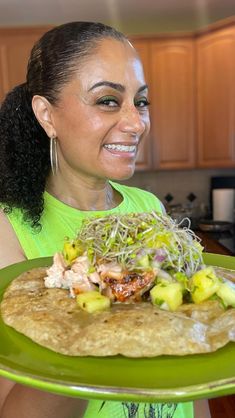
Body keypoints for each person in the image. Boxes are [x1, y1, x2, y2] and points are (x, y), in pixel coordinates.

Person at [0, 22, 211, 418]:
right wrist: (87, 306)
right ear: (47, 115)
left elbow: (191, 361)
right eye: (109, 101)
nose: (136, 123)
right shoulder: (7, 229)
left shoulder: (150, 208)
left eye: (141, 101)